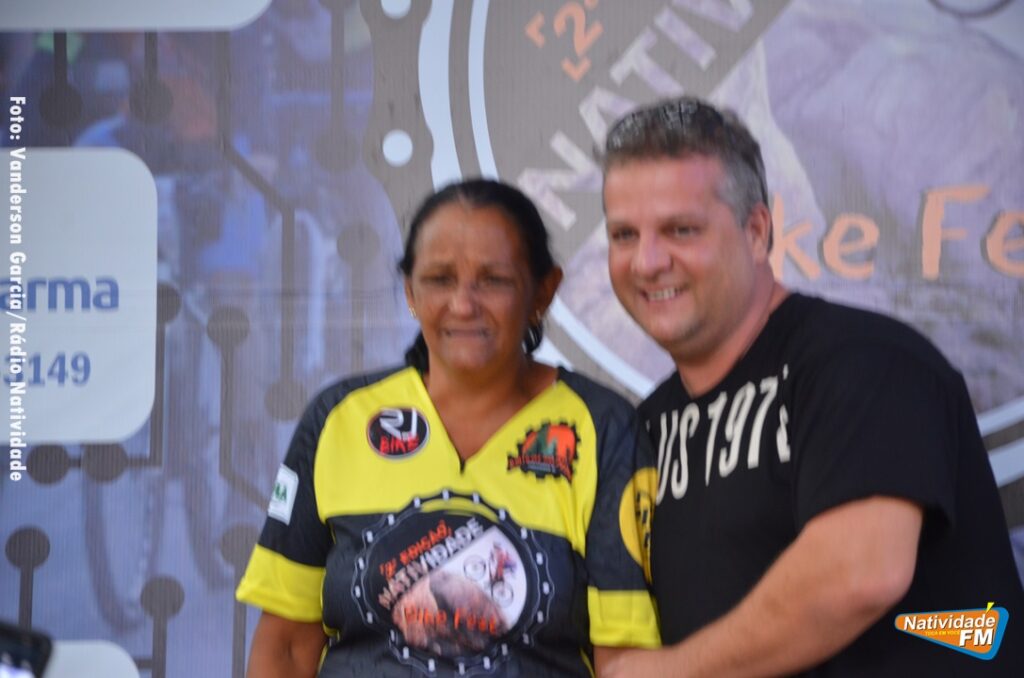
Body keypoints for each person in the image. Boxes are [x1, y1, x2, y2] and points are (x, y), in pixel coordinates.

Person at [598, 96, 1024, 676]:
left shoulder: (865, 363)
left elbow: (859, 574)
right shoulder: (643, 428)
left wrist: (672, 672)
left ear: (756, 231)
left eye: (681, 230)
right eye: (624, 235)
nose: (647, 262)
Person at [235, 178, 659, 677]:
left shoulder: (603, 429)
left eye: (493, 280)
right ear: (410, 291)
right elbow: (285, 645)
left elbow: (626, 658)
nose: (463, 304)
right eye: (439, 279)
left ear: (543, 291)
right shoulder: (339, 419)